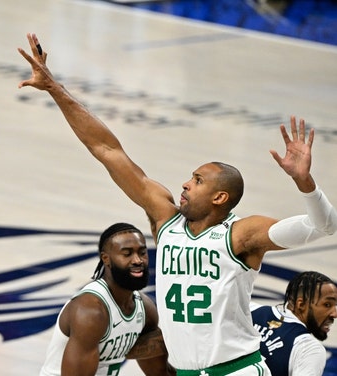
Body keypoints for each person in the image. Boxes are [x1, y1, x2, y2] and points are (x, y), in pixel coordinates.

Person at [17, 32, 337, 375]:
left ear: (220, 197)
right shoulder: (164, 218)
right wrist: (55, 89)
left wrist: (304, 182)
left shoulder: (242, 235)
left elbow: (324, 226)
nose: (185, 183)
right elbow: (107, 149)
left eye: (197, 181)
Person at [39, 223, 175, 376]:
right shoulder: (91, 311)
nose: (137, 260)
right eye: (127, 253)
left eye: (142, 252)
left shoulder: (145, 310)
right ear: (106, 259)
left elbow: (160, 372)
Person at [251, 271, 337, 375]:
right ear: (301, 304)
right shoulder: (309, 349)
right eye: (327, 305)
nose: (335, 314)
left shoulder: (249, 310)